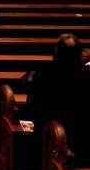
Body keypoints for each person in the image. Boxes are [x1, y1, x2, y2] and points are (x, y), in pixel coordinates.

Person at [25, 34, 90, 162]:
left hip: (45, 140)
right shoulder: (87, 75)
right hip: (81, 144)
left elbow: (32, 109)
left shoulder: (43, 73)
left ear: (57, 52)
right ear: (79, 55)